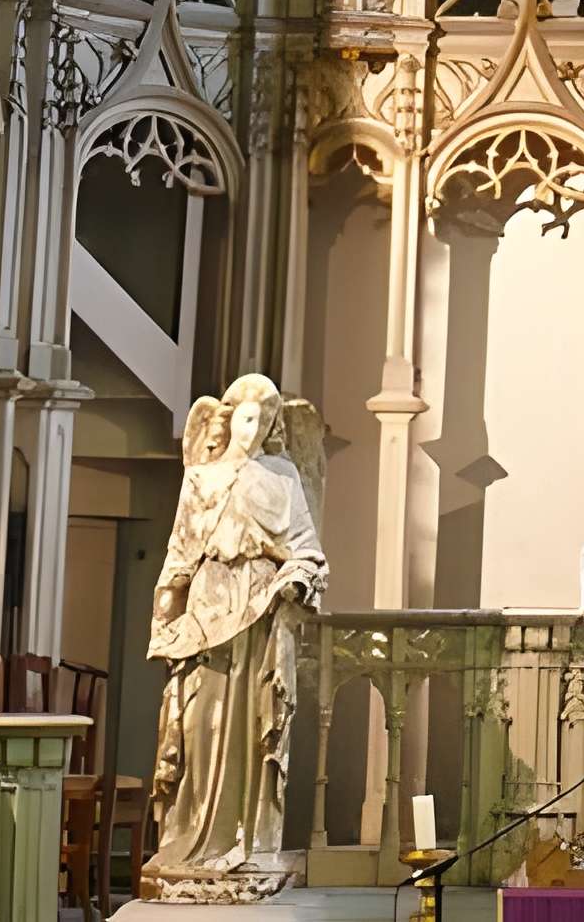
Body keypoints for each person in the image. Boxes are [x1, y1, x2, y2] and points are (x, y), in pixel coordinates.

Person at [144, 375, 328, 900]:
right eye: (247, 418)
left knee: (251, 723)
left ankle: (248, 839)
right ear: (228, 420)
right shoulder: (201, 478)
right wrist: (166, 608)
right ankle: (191, 836)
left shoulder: (282, 475)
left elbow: (307, 549)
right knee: (199, 720)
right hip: (208, 606)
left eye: (264, 421)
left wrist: (296, 576)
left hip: (261, 610)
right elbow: (181, 551)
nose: (253, 430)